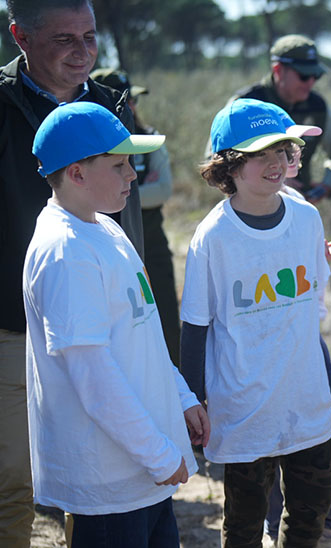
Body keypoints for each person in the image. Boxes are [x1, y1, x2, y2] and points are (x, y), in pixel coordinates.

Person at [25, 101, 208, 547]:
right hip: (107, 480)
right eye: (119, 164)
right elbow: (94, 379)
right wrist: (160, 454)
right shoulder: (66, 252)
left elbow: (143, 335)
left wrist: (181, 396)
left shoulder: (105, 228)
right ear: (77, 173)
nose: (133, 174)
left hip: (141, 470)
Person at [0, 1, 144, 544]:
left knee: (101, 473)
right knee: (13, 481)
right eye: (64, 40)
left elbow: (123, 211)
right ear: (20, 37)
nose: (83, 52)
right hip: (15, 327)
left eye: (89, 36)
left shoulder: (111, 105)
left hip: (106, 321)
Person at [180, 98, 331, 546]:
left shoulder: (307, 218)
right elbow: (196, 324)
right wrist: (193, 398)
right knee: (245, 523)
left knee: (311, 513)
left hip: (306, 400)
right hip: (245, 407)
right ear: (228, 167)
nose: (275, 164)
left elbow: (313, 307)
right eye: (260, 155)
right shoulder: (213, 236)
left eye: (282, 152)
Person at [261, 102, 331, 548]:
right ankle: (272, 526)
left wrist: (317, 258)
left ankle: (326, 524)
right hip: (259, 346)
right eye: (283, 152)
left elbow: (308, 280)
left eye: (294, 153)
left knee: (330, 432)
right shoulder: (235, 218)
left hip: (307, 341)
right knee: (272, 443)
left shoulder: (300, 207)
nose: (290, 162)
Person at [92, 67, 182, 366]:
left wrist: (117, 189)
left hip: (152, 241)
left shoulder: (150, 137)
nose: (131, 107)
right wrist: (141, 186)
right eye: (123, 100)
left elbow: (164, 190)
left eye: (134, 100)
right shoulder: (90, 145)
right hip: (109, 244)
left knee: (167, 318)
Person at [227, 34, 331, 201]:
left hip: (300, 204)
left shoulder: (319, 106)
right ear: (278, 70)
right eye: (304, 76)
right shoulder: (243, 104)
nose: (310, 83)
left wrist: (327, 185)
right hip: (251, 207)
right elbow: (216, 159)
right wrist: (279, 181)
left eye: (315, 76)